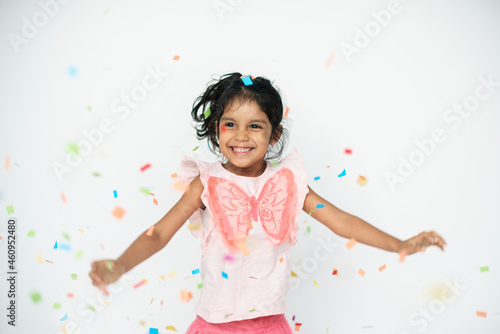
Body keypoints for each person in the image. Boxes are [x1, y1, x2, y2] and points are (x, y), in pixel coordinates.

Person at [89, 72, 446, 334]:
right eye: (230, 124)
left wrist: (400, 244)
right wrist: (119, 265)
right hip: (214, 324)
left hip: (269, 324)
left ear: (274, 135)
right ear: (217, 130)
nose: (241, 136)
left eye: (255, 126)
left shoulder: (287, 183)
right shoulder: (208, 181)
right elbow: (159, 234)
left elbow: (341, 221)